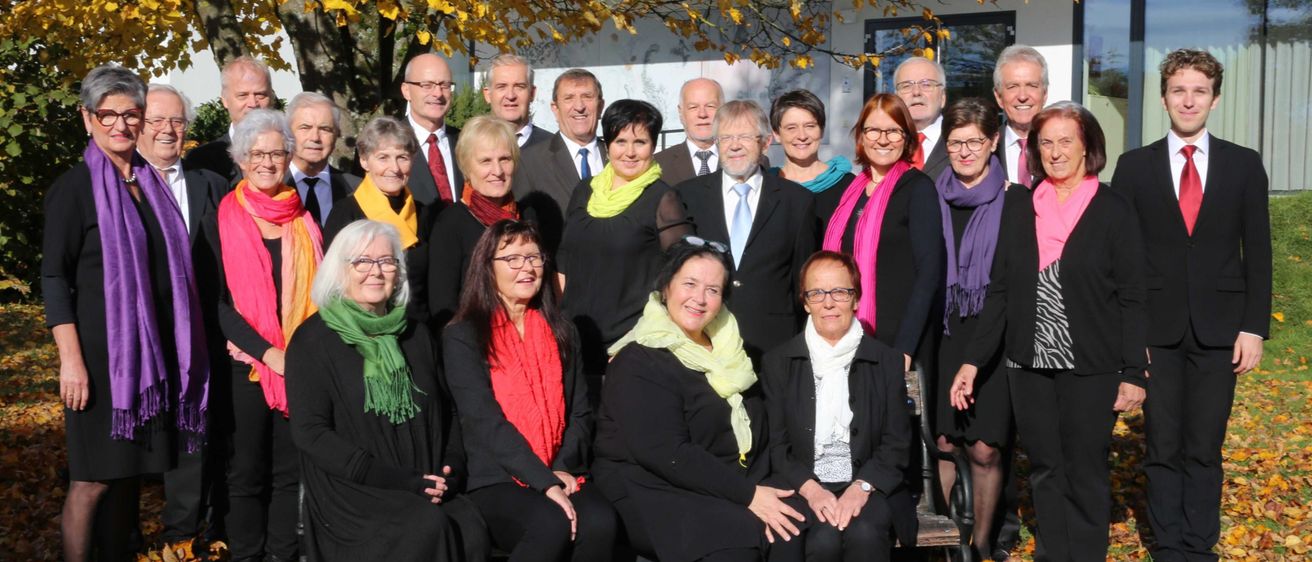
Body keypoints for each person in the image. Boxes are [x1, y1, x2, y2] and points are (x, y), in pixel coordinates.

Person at [949, 101, 1148, 562]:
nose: (1055, 152)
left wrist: (1134, 372)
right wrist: (973, 360)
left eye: (1065, 141)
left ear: (1087, 147)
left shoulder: (1113, 208)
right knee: (1044, 467)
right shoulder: (1020, 206)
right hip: (1028, 363)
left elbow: (1134, 296)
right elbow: (1000, 291)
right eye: (1046, 143)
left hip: (1092, 365)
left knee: (1084, 469)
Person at [1110, 49, 1271, 562]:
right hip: (1156, 330)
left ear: (1215, 99)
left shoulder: (1244, 164)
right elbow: (1123, 260)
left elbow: (1259, 251)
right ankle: (1168, 544)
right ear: (1163, 98)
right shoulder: (1133, 167)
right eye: (1178, 89)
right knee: (1161, 445)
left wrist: (1254, 327)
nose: (1188, 99)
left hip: (1220, 329)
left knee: (1204, 444)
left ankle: (1199, 547)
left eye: (1199, 90)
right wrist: (1130, 339)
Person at [44, 64, 209, 562]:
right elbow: (54, 278)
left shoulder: (151, 187)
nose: (120, 125)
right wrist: (70, 360)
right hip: (99, 361)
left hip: (147, 360)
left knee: (128, 480)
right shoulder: (74, 189)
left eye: (130, 113)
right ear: (87, 119)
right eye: (107, 114)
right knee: (92, 481)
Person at [594, 239, 808, 562]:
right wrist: (748, 495)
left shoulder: (731, 351)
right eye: (690, 284)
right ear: (666, 286)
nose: (699, 298)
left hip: (717, 479)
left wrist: (764, 488)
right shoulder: (640, 357)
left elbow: (759, 429)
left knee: (792, 525)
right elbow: (665, 451)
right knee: (739, 539)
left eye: (713, 290)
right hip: (650, 485)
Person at [285, 220, 483, 561]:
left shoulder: (416, 333)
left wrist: (452, 465)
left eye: (387, 261)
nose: (376, 272)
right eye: (362, 261)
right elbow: (310, 433)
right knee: (424, 527)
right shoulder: (312, 341)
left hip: (423, 477)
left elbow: (448, 409)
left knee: (470, 527)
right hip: (354, 490)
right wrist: (399, 480)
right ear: (339, 270)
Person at [443, 220, 618, 561]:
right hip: (497, 476)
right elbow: (484, 421)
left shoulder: (562, 329)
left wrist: (563, 469)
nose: (527, 267)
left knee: (599, 521)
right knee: (549, 522)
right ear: (486, 268)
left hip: (560, 466)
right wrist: (543, 481)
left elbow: (580, 411)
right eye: (512, 259)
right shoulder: (463, 335)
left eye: (534, 258)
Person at [200, 108, 321, 562]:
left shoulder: (303, 221)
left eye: (277, 152)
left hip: (299, 365)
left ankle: (281, 555)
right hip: (246, 366)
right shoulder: (222, 219)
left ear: (289, 157)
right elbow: (218, 304)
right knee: (247, 473)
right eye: (258, 153)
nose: (268, 162)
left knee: (289, 474)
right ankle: (247, 555)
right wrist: (269, 353)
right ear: (241, 158)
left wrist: (298, 356)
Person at [760, 251, 913, 561]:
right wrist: (811, 489)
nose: (828, 303)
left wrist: (863, 485)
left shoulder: (885, 360)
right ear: (805, 302)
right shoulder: (779, 362)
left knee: (865, 534)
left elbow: (896, 442)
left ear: (855, 299)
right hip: (803, 482)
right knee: (822, 540)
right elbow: (778, 445)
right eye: (816, 293)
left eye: (840, 292)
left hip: (870, 481)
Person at [140, 82, 230, 550]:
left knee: (199, 430)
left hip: (203, 331)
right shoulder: (121, 186)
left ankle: (192, 530)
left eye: (176, 121)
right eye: (155, 120)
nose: (166, 130)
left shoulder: (208, 185)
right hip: (141, 335)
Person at [557, 99, 694, 406]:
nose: (630, 152)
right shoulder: (584, 191)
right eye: (621, 141)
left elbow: (682, 279)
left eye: (640, 142)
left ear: (653, 146)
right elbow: (564, 263)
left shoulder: (663, 198)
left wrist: (638, 341)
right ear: (607, 145)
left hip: (625, 348)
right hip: (572, 344)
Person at [930, 98, 1012, 558]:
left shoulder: (1014, 200)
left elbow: (1007, 287)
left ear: (993, 141)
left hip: (992, 336)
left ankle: (980, 545)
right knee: (944, 442)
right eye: (955, 142)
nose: (964, 151)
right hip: (942, 333)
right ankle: (948, 543)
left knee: (983, 448)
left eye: (974, 142)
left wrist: (975, 359)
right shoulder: (931, 193)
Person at [677, 100, 817, 363]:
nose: (734, 145)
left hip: (774, 346)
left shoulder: (797, 202)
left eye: (744, 136)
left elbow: (802, 282)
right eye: (726, 137)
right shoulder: (687, 196)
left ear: (765, 143)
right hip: (705, 343)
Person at [819, 93, 944, 373]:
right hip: (847, 337)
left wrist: (905, 348)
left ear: (907, 137)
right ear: (861, 136)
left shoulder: (918, 189)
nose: (883, 139)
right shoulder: (848, 192)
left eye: (893, 131)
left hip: (897, 340)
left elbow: (929, 274)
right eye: (873, 130)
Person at [427, 116, 539, 328]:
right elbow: (442, 305)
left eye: (505, 159)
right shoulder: (451, 223)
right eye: (486, 161)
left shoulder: (527, 217)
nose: (497, 171)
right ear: (467, 167)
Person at [323, 116, 435, 322]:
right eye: (383, 157)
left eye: (402, 157)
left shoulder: (424, 214)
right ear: (364, 160)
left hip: (419, 329)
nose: (394, 168)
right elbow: (334, 285)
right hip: (365, 329)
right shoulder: (345, 214)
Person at [511, 68, 607, 237]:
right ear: (555, 109)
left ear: (600, 106)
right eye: (569, 98)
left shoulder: (619, 157)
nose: (579, 107)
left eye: (587, 97)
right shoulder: (529, 162)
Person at [183, 56, 276, 182]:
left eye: (260, 94)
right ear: (225, 100)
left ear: (271, 97)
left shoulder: (290, 155)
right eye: (242, 95)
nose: (253, 103)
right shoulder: (202, 160)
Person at [285, 92, 362, 226]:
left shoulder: (358, 189)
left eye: (325, 129)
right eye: (305, 127)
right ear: (288, 132)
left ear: (336, 134)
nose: (315, 137)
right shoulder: (271, 186)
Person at [767, 89, 855, 203]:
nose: (802, 136)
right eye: (791, 128)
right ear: (777, 134)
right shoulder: (766, 186)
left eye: (810, 126)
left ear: (822, 130)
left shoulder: (849, 186)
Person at [401, 53, 464, 206]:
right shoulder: (385, 144)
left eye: (445, 85)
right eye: (427, 85)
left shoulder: (466, 142)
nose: (438, 93)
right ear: (406, 91)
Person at [991, 45, 1049, 187]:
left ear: (1045, 94)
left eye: (1031, 85)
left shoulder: (1062, 148)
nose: (1022, 96)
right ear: (999, 97)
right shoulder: (985, 149)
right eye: (1013, 86)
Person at [654, 78, 723, 186]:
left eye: (710, 106)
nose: (702, 114)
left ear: (723, 109)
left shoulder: (748, 161)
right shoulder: (657, 166)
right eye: (693, 107)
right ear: (681, 113)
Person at [892, 56, 950, 180]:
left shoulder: (962, 140)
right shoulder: (884, 142)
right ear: (896, 98)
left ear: (943, 97)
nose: (916, 92)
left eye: (926, 84)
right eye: (906, 86)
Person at [483, 54, 551, 147]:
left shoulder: (555, 148)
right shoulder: (468, 147)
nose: (510, 96)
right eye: (502, 87)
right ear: (487, 95)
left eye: (519, 87)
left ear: (532, 93)